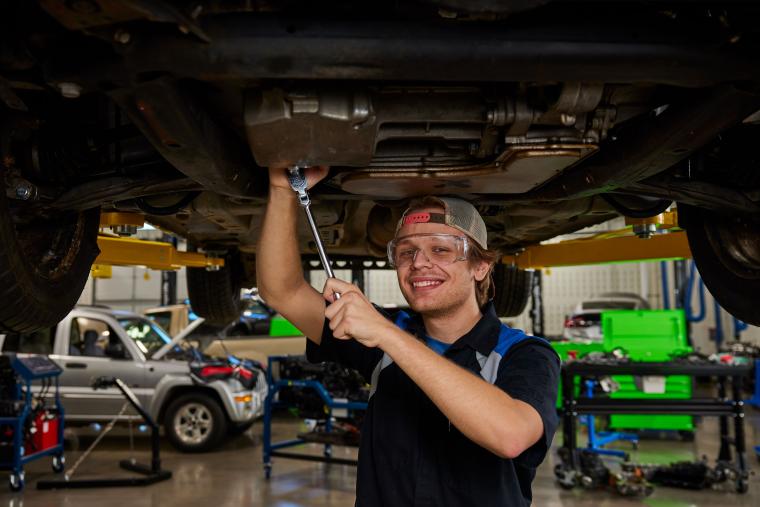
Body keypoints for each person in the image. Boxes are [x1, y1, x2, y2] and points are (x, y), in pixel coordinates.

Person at [257, 166, 560, 507]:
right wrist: (282, 191)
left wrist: (387, 335)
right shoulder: (380, 335)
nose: (419, 263)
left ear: (481, 267)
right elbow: (282, 291)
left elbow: (510, 435)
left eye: (441, 250)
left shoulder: (524, 354)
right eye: (406, 252)